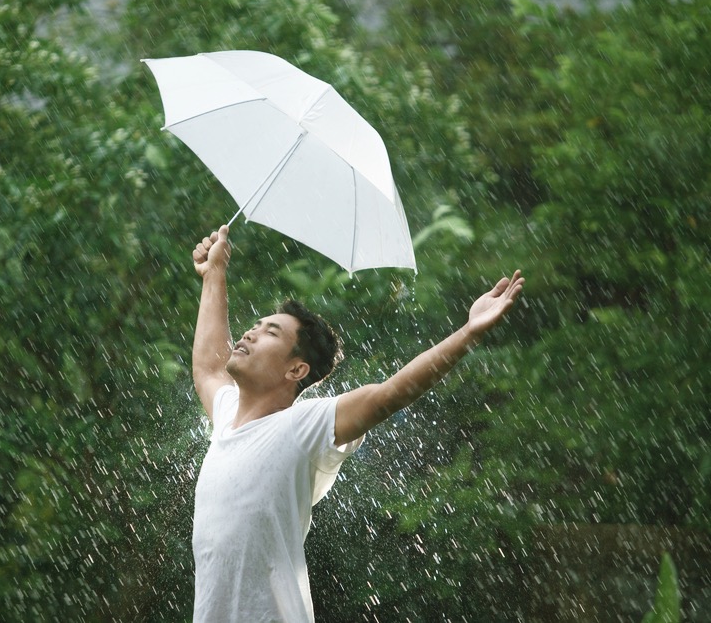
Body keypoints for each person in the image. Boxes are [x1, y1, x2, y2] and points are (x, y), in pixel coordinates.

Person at [190, 224, 525, 622]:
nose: (250, 333)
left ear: (296, 369)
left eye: (270, 332)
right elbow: (210, 365)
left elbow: (389, 394)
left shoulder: (303, 426)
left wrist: (468, 333)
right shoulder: (227, 416)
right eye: (257, 326)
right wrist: (215, 274)